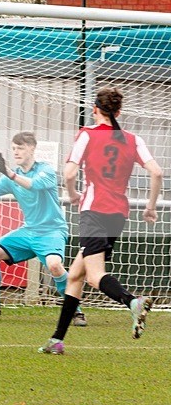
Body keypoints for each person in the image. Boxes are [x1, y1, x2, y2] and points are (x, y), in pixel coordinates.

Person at [39, 87, 163, 354]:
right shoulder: (132, 139)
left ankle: (132, 301)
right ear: (118, 111)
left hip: (94, 210)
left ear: (94, 109)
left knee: (95, 275)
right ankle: (56, 340)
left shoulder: (87, 135)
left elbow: (70, 173)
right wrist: (150, 208)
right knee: (75, 274)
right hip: (118, 213)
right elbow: (157, 172)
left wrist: (73, 195)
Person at [0, 132, 86, 325]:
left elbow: (34, 185)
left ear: (32, 148)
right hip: (28, 232)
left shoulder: (45, 171)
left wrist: (10, 174)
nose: (16, 152)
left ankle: (76, 312)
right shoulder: (11, 177)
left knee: (55, 266)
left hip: (52, 231)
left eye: (20, 148)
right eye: (13, 148)